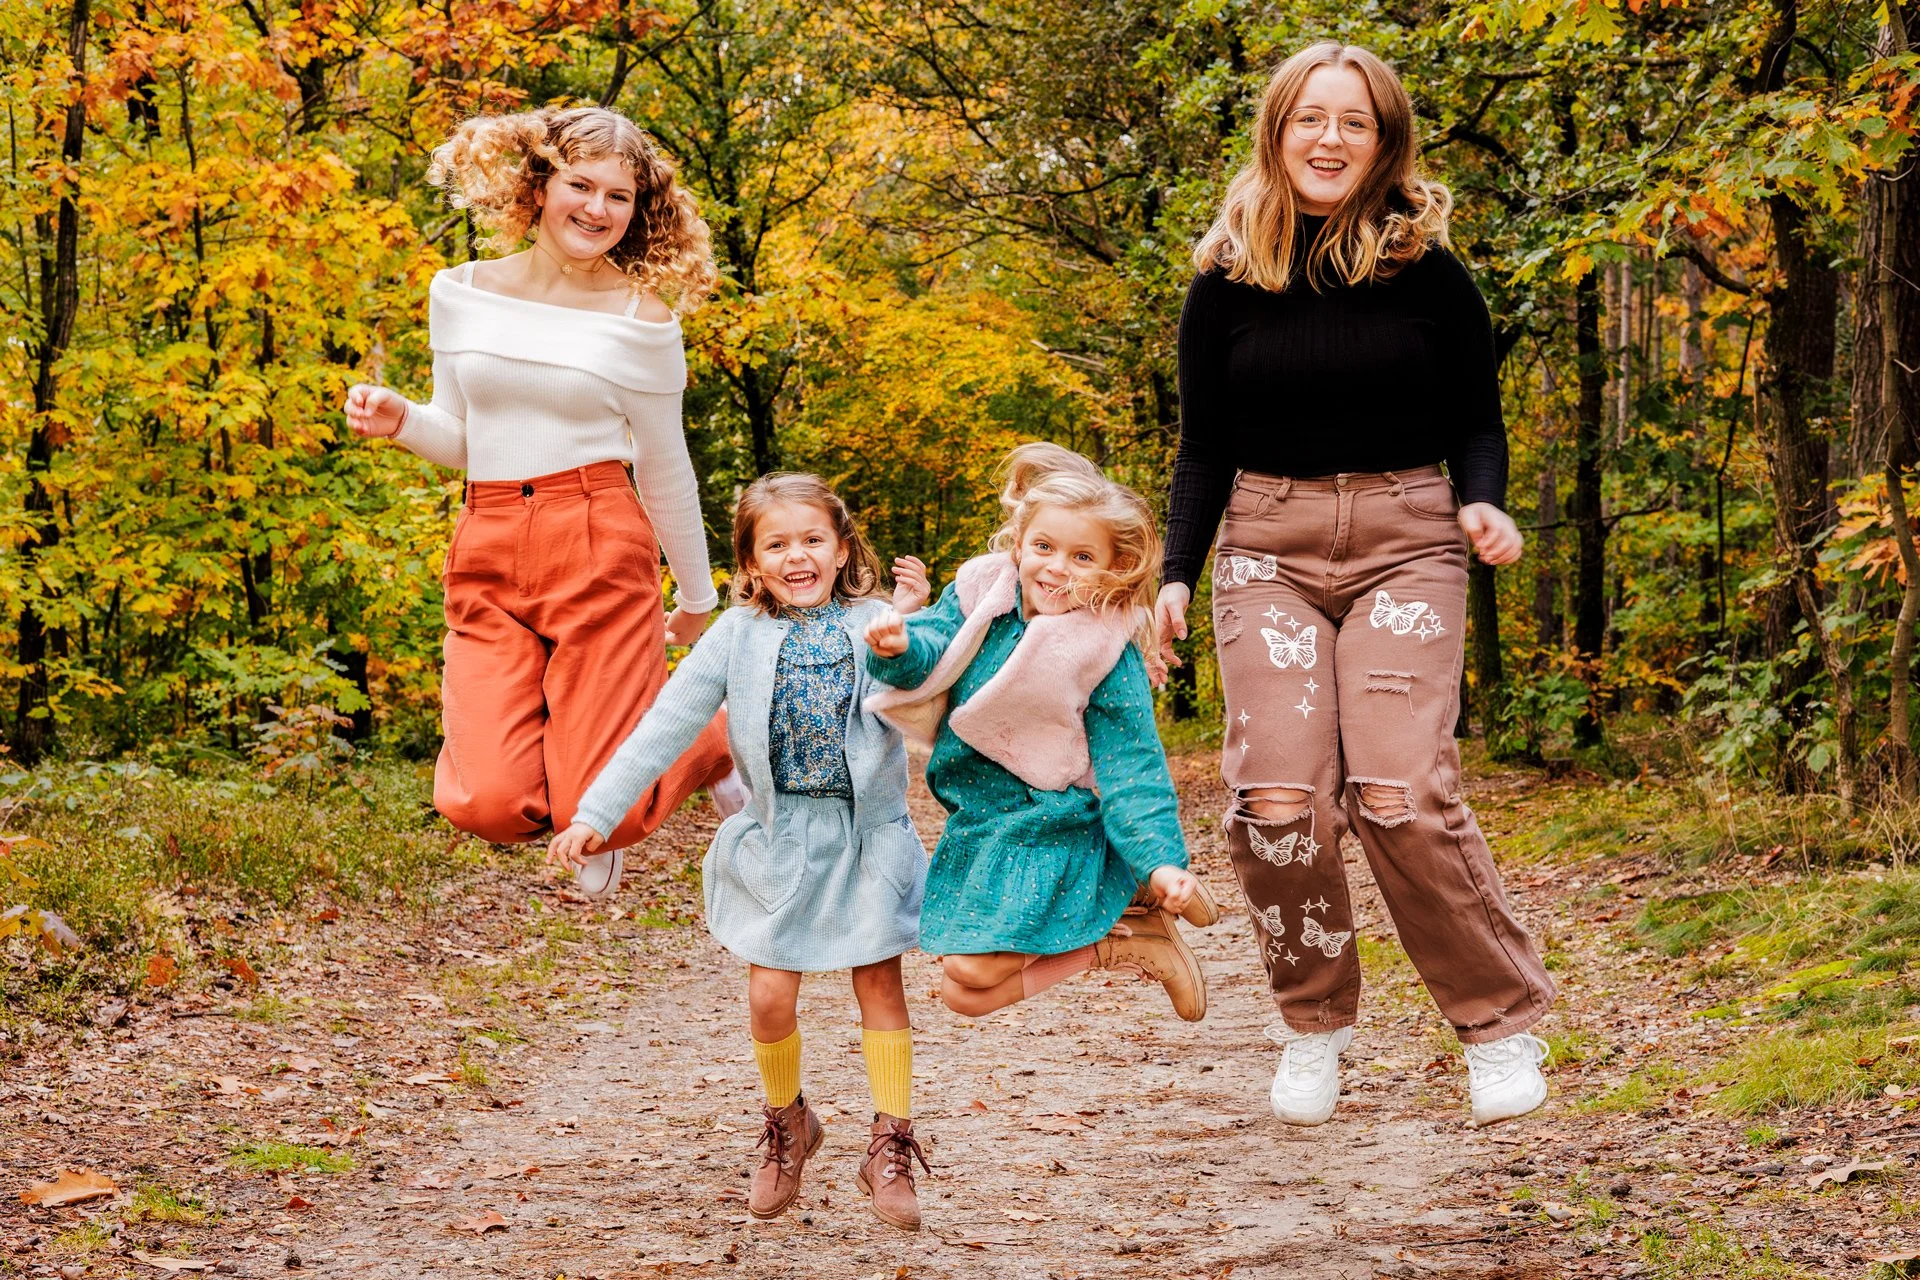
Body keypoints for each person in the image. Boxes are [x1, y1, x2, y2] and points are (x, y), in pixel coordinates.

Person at [1156, 41, 1555, 1129]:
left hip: (1406, 540)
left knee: (1400, 795)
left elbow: (1479, 415)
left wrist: (1482, 499)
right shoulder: (1226, 277)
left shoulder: (1430, 273)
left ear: (1384, 145)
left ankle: (1497, 1022)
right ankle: (1313, 1023)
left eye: (1355, 122)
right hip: (1265, 546)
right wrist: (1178, 573)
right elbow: (1203, 447)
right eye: (1310, 119)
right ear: (1278, 132)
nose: (1330, 139)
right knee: (1277, 800)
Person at [343, 106, 742, 896]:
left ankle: (711, 743)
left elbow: (665, 468)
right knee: (486, 803)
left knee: (604, 809)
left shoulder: (642, 319)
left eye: (619, 197)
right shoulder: (459, 293)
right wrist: (402, 422)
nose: (597, 210)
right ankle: (666, 752)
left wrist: (696, 598)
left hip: (597, 534)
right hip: (488, 535)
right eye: (580, 185)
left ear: (640, 211)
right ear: (539, 185)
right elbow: (463, 435)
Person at [548, 474, 934, 1231]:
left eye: (813, 539)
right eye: (778, 544)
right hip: (779, 844)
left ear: (842, 546)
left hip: (865, 844)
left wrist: (913, 631)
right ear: (751, 564)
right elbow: (666, 724)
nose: (798, 556)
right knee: (768, 997)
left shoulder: (876, 620)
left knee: (880, 988)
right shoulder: (736, 635)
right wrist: (598, 810)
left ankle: (890, 1142)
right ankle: (789, 1122)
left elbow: (925, 690)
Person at [863, 442, 1219, 1027]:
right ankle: (1124, 944)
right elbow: (933, 644)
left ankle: (1136, 898)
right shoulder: (984, 592)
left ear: (1112, 566)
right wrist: (899, 648)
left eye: (1083, 557)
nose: (1056, 567)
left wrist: (1161, 859)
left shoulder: (1103, 648)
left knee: (974, 972)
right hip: (977, 814)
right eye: (1045, 547)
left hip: (1047, 818)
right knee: (961, 995)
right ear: (1020, 541)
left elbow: (1133, 766)